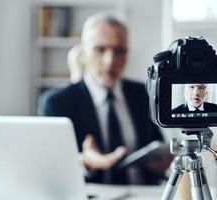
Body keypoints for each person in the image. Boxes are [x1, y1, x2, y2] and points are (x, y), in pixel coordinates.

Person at [38, 14, 170, 185]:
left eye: (119, 51)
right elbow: (50, 168)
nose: (110, 61)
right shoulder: (56, 103)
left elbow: (155, 147)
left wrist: (160, 164)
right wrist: (84, 162)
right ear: (84, 52)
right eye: (100, 50)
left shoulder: (143, 94)